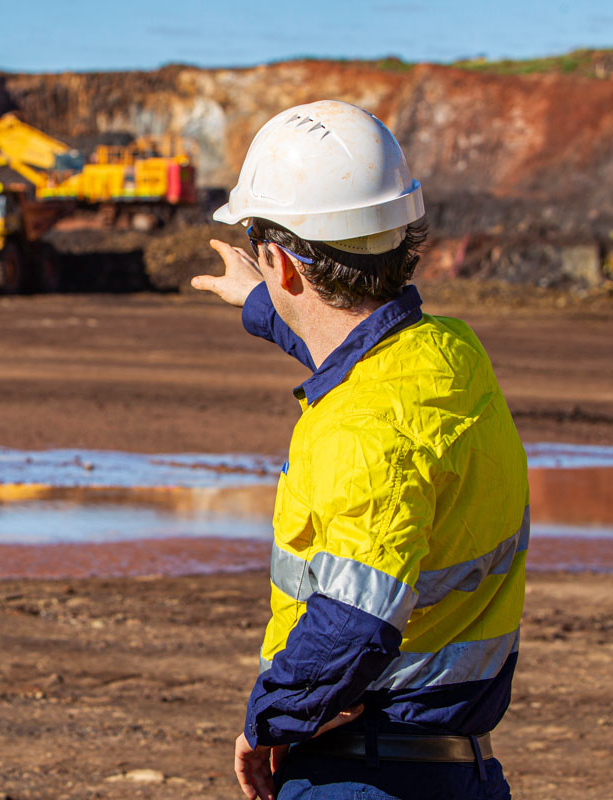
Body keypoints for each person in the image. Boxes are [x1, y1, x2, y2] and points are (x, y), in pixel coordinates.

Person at [191, 101, 527, 800]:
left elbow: (353, 625)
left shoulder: (364, 428)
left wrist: (268, 721)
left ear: (281, 262)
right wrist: (260, 302)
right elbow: (353, 342)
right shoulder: (449, 356)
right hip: (457, 767)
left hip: (366, 774)